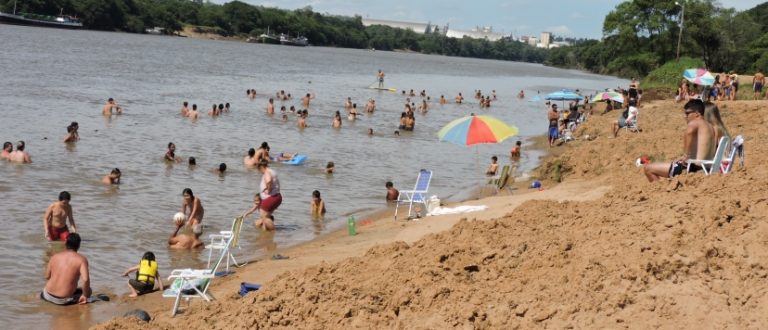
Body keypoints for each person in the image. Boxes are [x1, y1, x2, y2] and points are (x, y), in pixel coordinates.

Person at [643, 99, 715, 182]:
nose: (685, 116)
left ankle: (659, 191)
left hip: (692, 167)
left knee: (648, 168)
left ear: (697, 114)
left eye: (687, 113)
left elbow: (689, 133)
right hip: (706, 167)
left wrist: (685, 156)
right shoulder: (710, 126)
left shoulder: (695, 123)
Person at [41, 233, 91, 305]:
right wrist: (85, 295)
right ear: (79, 245)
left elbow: (47, 276)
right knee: (88, 291)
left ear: (65, 243)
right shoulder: (81, 259)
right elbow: (86, 279)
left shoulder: (55, 256)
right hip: (62, 300)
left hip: (46, 295)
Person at [257, 160, 282, 227]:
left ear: (262, 167)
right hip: (276, 196)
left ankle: (273, 231)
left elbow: (269, 180)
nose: (260, 172)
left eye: (259, 169)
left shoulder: (267, 172)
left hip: (272, 197)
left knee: (263, 216)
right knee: (264, 219)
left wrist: (268, 190)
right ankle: (266, 234)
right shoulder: (272, 171)